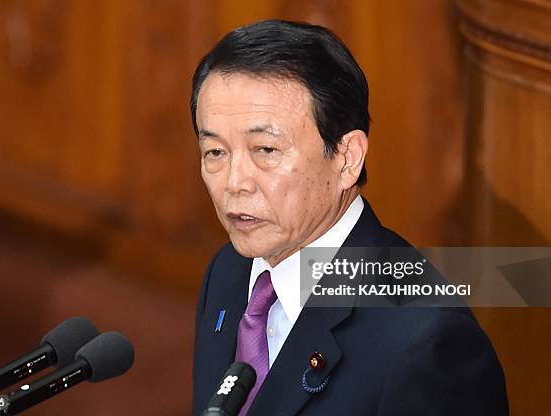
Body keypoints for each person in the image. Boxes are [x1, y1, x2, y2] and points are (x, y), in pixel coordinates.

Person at [191, 20, 508, 415]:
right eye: (215, 153)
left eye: (266, 150)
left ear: (346, 158)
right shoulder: (229, 272)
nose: (235, 182)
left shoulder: (427, 343)